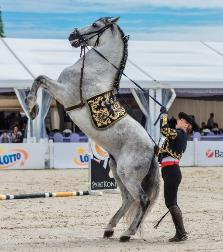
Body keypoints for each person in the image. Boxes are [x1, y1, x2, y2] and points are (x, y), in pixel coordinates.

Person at [158, 107, 199, 242]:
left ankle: (181, 233)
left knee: (171, 202)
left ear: (186, 125)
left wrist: (163, 115)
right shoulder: (180, 136)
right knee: (171, 202)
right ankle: (180, 233)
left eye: (181, 120)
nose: (178, 121)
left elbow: (164, 130)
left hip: (171, 171)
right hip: (170, 170)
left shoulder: (179, 133)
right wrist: (157, 152)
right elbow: (166, 153)